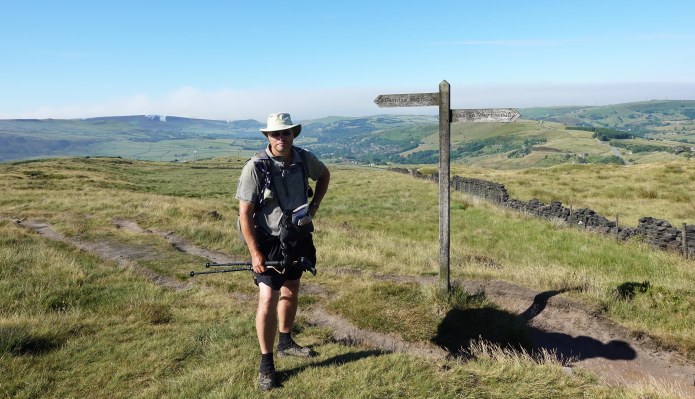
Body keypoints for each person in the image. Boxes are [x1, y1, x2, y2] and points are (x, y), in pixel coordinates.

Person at [235, 112, 330, 390]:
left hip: (297, 235)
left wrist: (314, 208)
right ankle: (266, 364)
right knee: (268, 298)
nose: (281, 138)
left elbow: (324, 175)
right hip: (268, 241)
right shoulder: (255, 167)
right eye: (275, 133)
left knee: (292, 289)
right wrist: (255, 253)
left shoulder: (303, 159)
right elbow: (245, 214)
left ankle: (286, 341)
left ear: (293, 134)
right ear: (267, 136)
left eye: (286, 133)